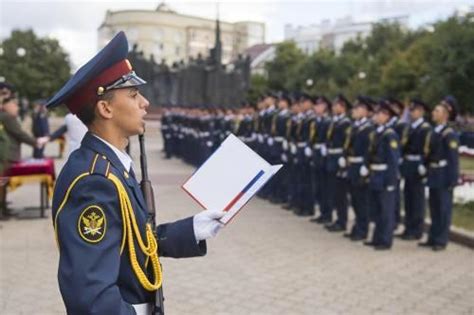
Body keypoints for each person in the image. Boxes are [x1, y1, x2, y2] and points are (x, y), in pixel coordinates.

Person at [45, 32, 225, 314]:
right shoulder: (94, 181)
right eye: (133, 94)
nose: (145, 103)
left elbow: (131, 238)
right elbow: (91, 298)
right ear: (105, 108)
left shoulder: (112, 165)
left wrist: (189, 229)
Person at [419, 96, 459, 251]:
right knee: (434, 208)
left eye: (437, 111)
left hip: (443, 175)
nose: (433, 113)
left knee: (443, 209)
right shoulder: (435, 132)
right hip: (434, 173)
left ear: (445, 114)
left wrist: (452, 180)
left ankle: (441, 240)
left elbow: (453, 160)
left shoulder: (449, 134)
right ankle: (432, 237)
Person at [365, 100, 400, 250]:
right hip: (376, 174)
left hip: (385, 176)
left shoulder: (390, 135)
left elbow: (393, 160)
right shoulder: (377, 133)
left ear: (386, 116)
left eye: (379, 113)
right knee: (377, 209)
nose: (375, 115)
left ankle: (385, 240)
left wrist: (392, 181)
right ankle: (377, 237)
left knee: (386, 210)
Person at [398, 99, 432, 240]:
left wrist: (424, 164)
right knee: (408, 197)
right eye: (411, 110)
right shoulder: (410, 127)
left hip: (418, 164)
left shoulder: (426, 128)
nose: (412, 113)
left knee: (417, 199)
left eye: (414, 110)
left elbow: (428, 149)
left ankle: (417, 230)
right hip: (409, 164)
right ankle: (408, 227)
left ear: (421, 111)